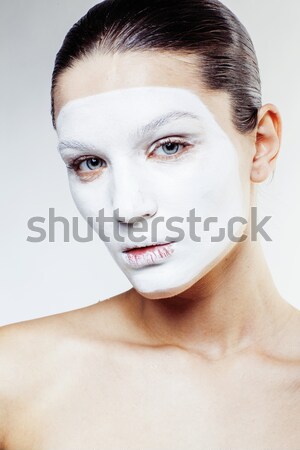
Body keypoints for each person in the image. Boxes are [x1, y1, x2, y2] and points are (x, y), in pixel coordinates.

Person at [1, 0, 300, 448]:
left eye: (170, 147)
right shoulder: (15, 375)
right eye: (89, 162)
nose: (126, 207)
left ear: (260, 145)